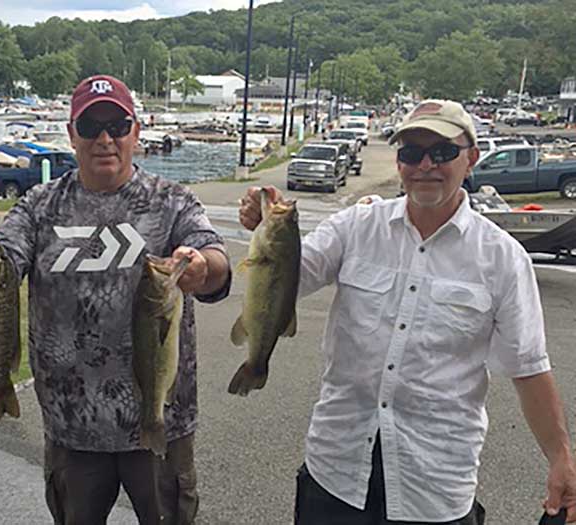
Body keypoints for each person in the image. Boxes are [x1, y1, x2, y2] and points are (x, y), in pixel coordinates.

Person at [238, 99, 576, 524]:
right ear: (399, 162)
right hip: (336, 470)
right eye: (411, 153)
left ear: (471, 159)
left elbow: (529, 368)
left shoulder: (503, 258)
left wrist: (562, 459)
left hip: (434, 483)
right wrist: (262, 224)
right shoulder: (355, 227)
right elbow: (289, 278)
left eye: (443, 152)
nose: (425, 164)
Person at [0, 75, 231, 525]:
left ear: (136, 132)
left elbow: (214, 255)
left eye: (118, 125)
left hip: (160, 423)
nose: (105, 138)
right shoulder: (40, 205)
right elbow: (3, 262)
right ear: (72, 135)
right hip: (71, 425)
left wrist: (202, 267)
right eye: (90, 126)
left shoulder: (172, 201)